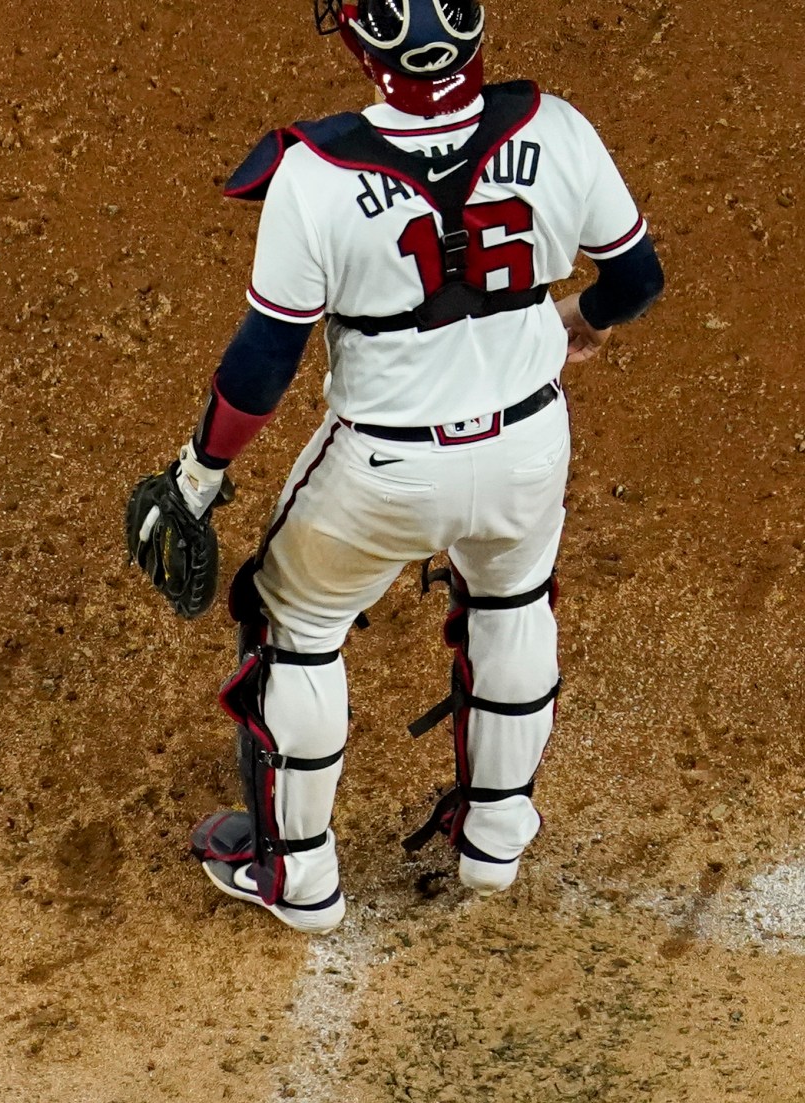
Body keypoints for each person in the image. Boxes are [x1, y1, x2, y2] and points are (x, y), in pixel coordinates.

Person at [124, 0, 665, 932]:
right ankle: (496, 839)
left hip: (381, 472)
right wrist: (573, 322)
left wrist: (199, 474)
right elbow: (637, 279)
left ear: (361, 47)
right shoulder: (557, 127)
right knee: (512, 600)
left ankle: (297, 876)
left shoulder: (317, 171)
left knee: (290, 617)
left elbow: (263, 362)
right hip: (528, 446)